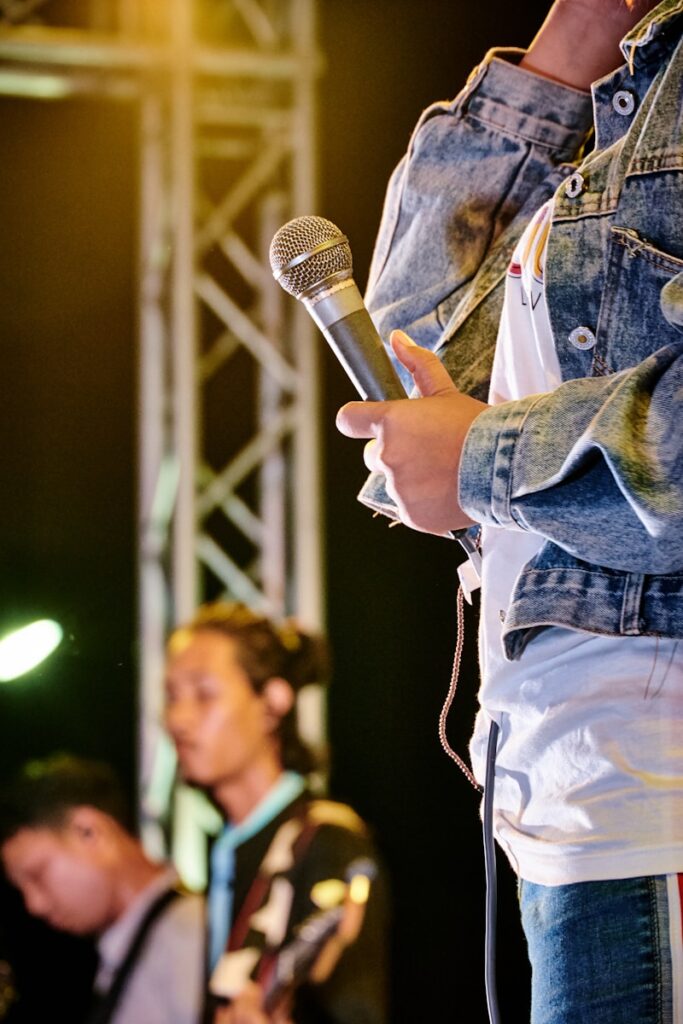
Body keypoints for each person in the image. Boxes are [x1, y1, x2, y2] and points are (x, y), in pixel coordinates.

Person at [335, 0, 683, 1021]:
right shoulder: (628, 104)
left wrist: (479, 457)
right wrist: (571, 42)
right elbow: (415, 352)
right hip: (571, 801)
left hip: (651, 785)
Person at [164, 601, 389, 1024]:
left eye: (204, 694)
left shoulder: (329, 842)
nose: (178, 718)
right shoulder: (226, 847)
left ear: (272, 701)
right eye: (171, 696)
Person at [0, 753, 205, 1024]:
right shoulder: (126, 946)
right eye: (21, 889)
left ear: (89, 832)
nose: (33, 905)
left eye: (38, 875)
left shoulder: (188, 934)